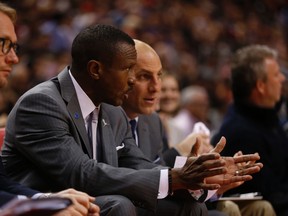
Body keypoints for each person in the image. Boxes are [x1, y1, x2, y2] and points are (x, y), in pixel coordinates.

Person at [2, 21, 262, 216]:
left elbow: (136, 163)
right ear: (96, 70)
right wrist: (175, 178)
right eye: (127, 69)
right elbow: (81, 174)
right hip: (47, 202)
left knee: (190, 207)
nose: (130, 80)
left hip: (97, 200)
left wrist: (193, 175)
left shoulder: (112, 110)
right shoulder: (42, 103)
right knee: (120, 205)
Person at [122, 39, 274, 216]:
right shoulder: (111, 117)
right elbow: (129, 177)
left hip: (161, 202)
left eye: (159, 76)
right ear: (124, 78)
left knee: (258, 207)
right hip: (132, 205)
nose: (157, 87)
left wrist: (210, 183)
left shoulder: (151, 121)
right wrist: (180, 154)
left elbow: (159, 176)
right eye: (144, 76)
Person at [0, 2, 100, 216]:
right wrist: (38, 208)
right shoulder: (41, 102)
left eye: (14, 47)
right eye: (3, 44)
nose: (13, 58)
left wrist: (46, 200)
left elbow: (1, 184)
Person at [212, 44, 285, 215]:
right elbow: (273, 195)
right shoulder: (240, 133)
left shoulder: (268, 119)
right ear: (260, 86)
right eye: (276, 74)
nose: (282, 78)